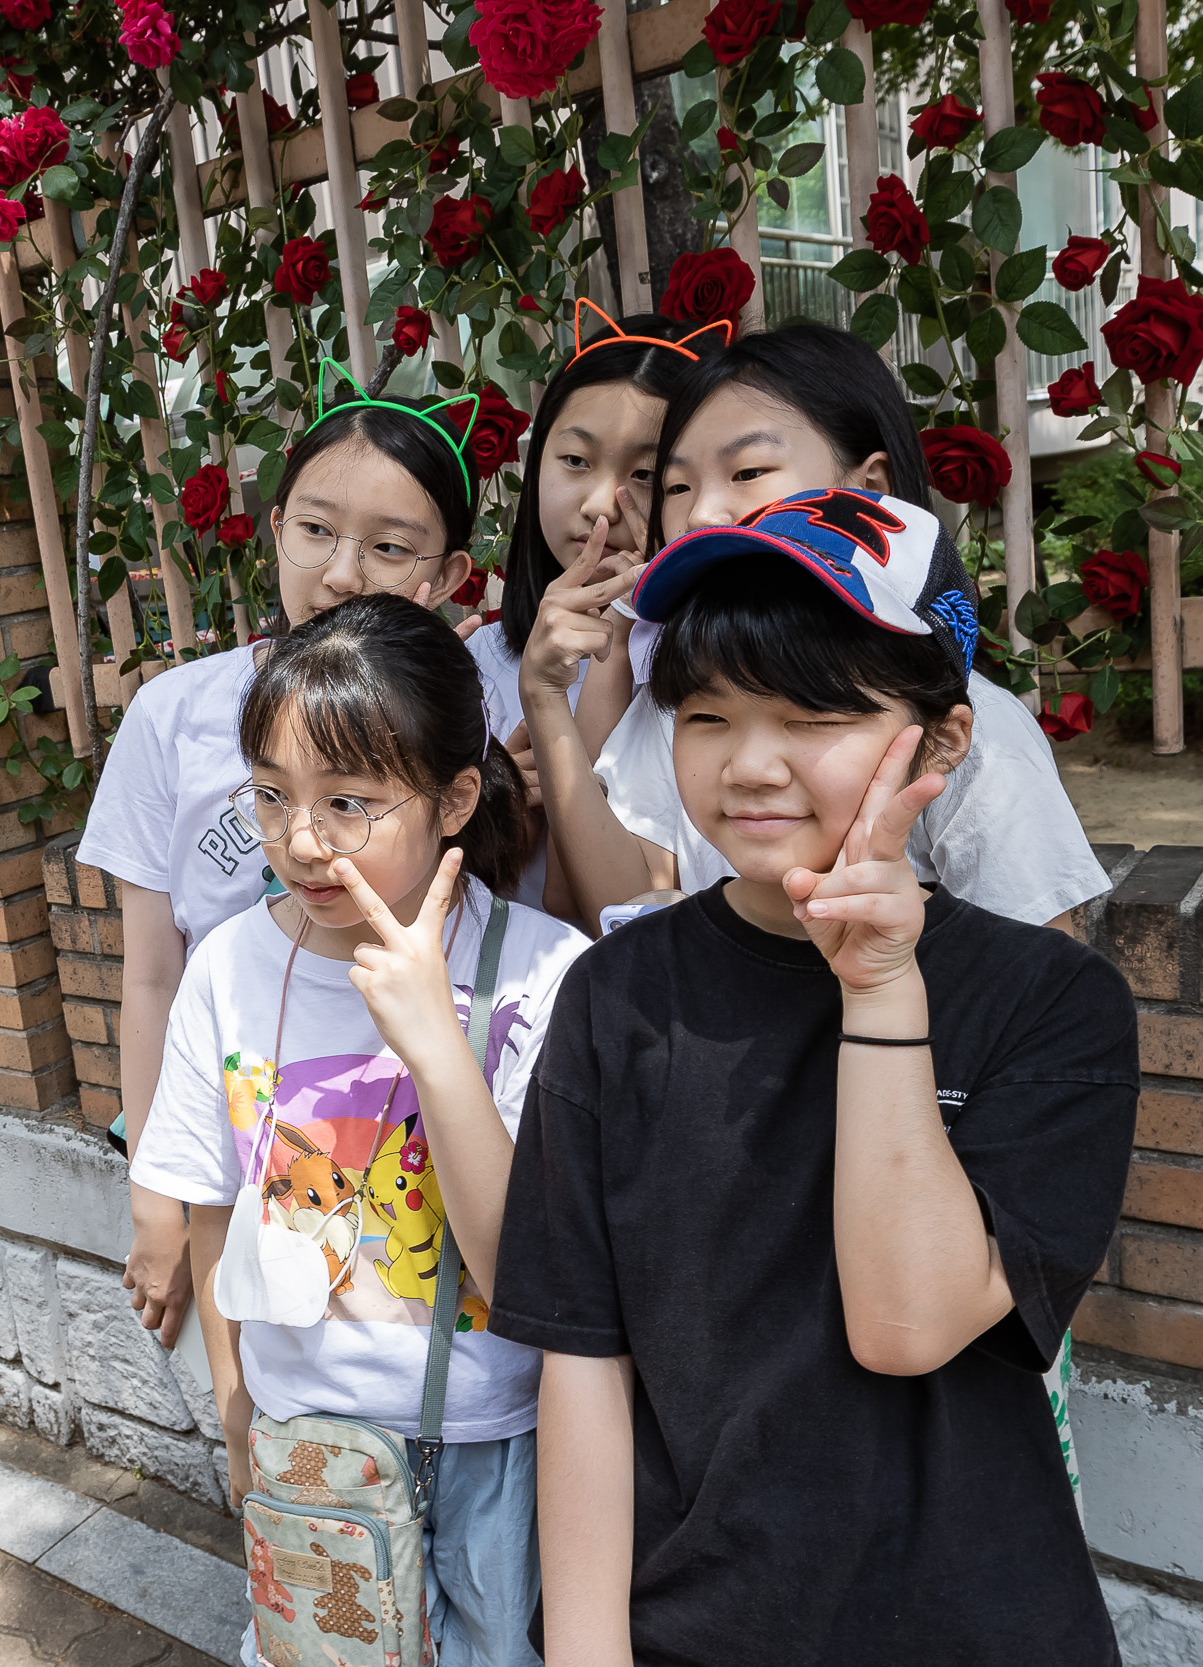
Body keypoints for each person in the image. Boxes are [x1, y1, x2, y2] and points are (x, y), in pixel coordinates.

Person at [488, 496, 1139, 1665]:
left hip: (971, 1622)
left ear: (940, 741)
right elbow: (582, 1356)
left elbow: (908, 1322)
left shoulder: (1047, 1003)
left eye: (809, 713)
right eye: (706, 714)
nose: (747, 763)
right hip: (691, 1620)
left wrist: (884, 991)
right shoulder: (619, 996)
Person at [132, 593, 587, 1665]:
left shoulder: (542, 974)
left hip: (497, 1444)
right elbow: (212, 1205)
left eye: (349, 801)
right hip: (307, 1446)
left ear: (455, 796)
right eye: (271, 794)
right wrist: (240, 1412)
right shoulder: (227, 968)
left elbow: (521, 1265)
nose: (299, 839)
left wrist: (435, 1040)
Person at [78, 369, 487, 1352]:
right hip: (234, 1169)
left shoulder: (475, 726)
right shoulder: (170, 715)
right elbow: (151, 972)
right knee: (268, 1446)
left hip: (427, 1165)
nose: (342, 572)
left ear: (447, 574)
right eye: (315, 529)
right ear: (274, 533)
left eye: (388, 547)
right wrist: (157, 1193)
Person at [530, 323, 1114, 934]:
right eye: (676, 485)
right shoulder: (683, 698)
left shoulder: (962, 726)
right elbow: (620, 907)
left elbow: (1042, 973)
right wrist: (554, 692)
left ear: (871, 487)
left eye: (748, 471)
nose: (700, 513)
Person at [465, 306, 725, 912]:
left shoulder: (724, 672)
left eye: (645, 472)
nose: (601, 506)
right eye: (575, 461)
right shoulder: (477, 669)